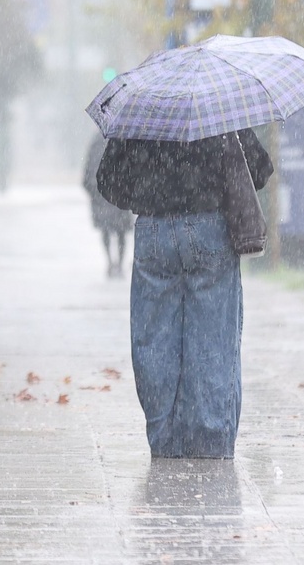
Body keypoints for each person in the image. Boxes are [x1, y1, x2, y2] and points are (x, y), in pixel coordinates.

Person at [96, 128, 273, 460]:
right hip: (210, 229)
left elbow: (107, 180)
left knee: (154, 338)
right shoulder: (218, 112)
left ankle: (165, 438)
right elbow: (260, 170)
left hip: (153, 230)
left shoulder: (144, 113)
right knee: (213, 337)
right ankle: (209, 440)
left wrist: (148, 194)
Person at [82, 135, 134, 277]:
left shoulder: (96, 143)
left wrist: (92, 189)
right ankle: (119, 264)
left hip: (102, 193)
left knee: (106, 230)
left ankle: (111, 262)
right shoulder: (122, 140)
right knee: (121, 231)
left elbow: (88, 170)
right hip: (119, 193)